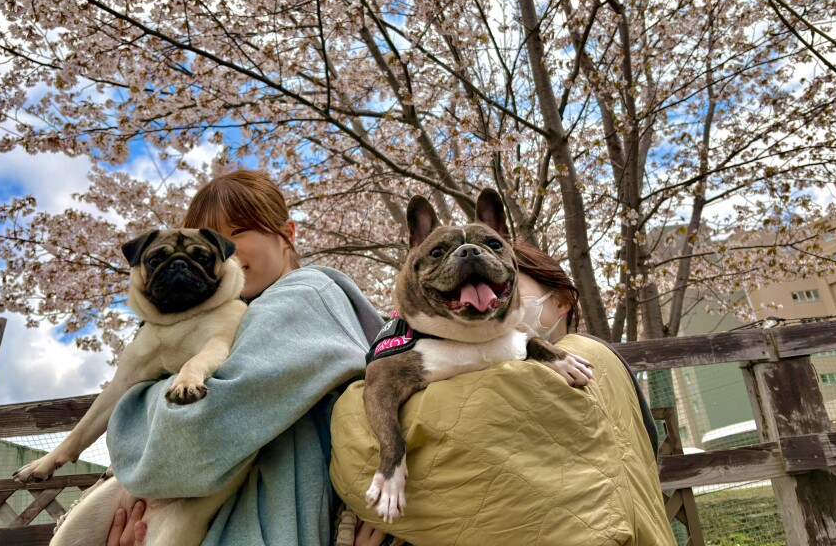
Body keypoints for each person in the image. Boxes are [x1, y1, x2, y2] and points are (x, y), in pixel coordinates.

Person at [105, 169, 383, 546]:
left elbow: (190, 437)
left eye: (237, 231)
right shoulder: (229, 319)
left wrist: (127, 428)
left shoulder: (303, 296)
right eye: (211, 240)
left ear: (287, 233)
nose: (226, 250)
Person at [335, 241, 672, 546]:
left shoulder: (574, 360)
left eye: (504, 290)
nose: (484, 305)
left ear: (561, 302)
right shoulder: (459, 359)